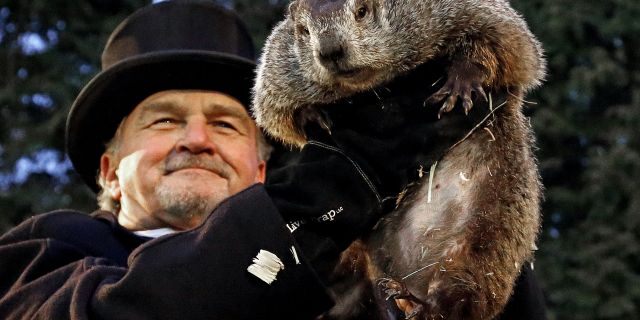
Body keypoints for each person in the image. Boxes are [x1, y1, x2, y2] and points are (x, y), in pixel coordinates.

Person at [0, 1, 546, 319]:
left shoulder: (357, 249)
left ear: (262, 167)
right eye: (163, 120)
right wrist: (330, 193)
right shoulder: (45, 254)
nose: (197, 139)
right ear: (108, 171)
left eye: (225, 123)